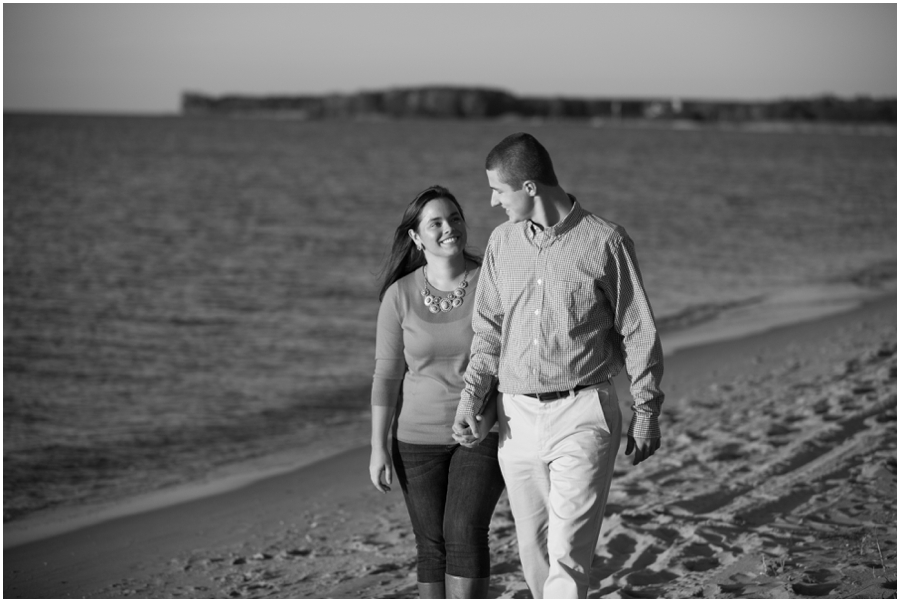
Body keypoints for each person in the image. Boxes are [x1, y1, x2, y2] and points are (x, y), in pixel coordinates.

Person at [452, 133, 664, 599]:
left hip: (583, 412)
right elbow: (488, 331)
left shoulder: (605, 241)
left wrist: (645, 412)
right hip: (515, 417)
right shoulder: (502, 243)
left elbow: (638, 328)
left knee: (567, 556)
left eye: (498, 190)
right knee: (534, 551)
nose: (491, 202)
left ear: (529, 188)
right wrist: (472, 398)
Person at [369, 185, 505, 599]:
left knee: (463, 530)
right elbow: (387, 376)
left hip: (479, 432)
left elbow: (511, 362)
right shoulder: (399, 295)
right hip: (414, 440)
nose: (450, 228)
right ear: (416, 237)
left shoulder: (492, 281)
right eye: (437, 223)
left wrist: (489, 418)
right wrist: (377, 446)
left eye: (455, 218)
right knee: (431, 546)